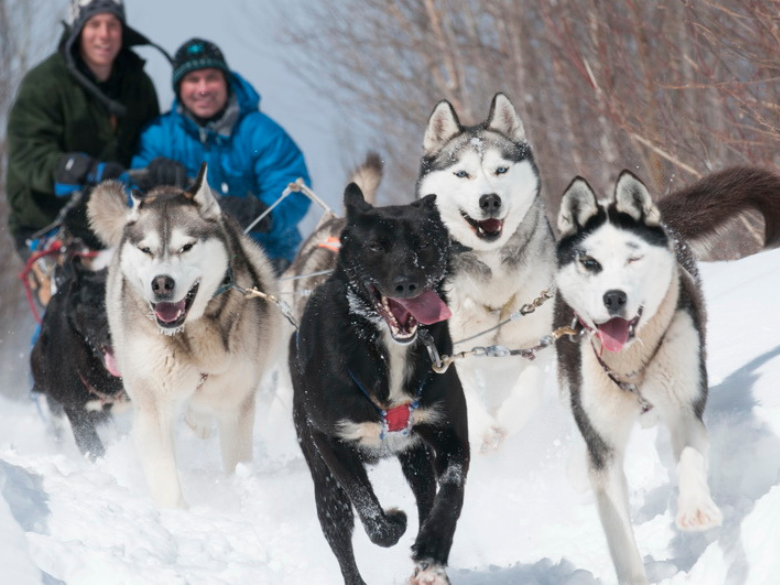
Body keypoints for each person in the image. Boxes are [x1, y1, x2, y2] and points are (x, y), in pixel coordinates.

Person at [131, 38, 311, 274]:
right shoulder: (158, 136)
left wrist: (262, 213)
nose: (203, 89)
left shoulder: (260, 133)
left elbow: (293, 188)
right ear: (179, 88)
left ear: (226, 82)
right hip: (181, 264)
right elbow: (130, 196)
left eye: (211, 78)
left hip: (263, 260)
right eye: (193, 80)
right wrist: (153, 183)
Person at [6, 0, 167, 255]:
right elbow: (26, 153)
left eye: (112, 25)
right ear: (78, 28)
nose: (104, 34)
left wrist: (157, 168)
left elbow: (153, 140)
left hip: (116, 222)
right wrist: (80, 170)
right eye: (94, 24)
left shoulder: (138, 83)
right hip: (46, 223)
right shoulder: (44, 83)